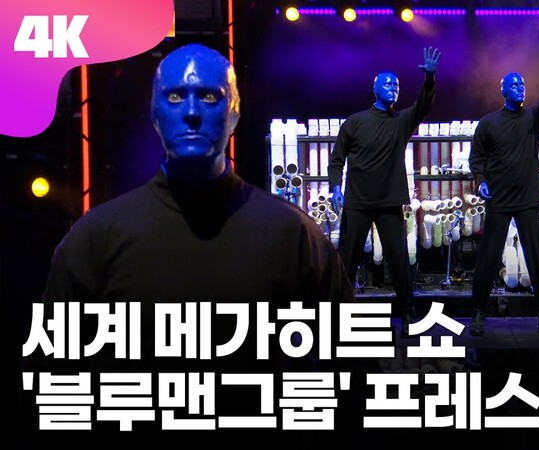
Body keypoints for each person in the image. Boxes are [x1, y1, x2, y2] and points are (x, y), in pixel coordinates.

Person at [20, 43, 357, 446]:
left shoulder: (295, 236)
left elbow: (352, 376)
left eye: (210, 96)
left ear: (234, 112)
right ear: (154, 113)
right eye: (176, 96)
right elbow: (52, 385)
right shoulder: (94, 240)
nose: (192, 111)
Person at [329, 46, 441, 338]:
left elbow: (423, 105)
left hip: (390, 201)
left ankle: (408, 313)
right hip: (357, 201)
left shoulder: (401, 122)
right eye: (388, 83)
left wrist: (429, 79)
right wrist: (335, 188)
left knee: (399, 260)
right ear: (375, 87)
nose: (394, 88)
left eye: (397, 85)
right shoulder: (355, 122)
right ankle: (337, 316)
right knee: (347, 260)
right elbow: (337, 159)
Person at [468, 36, 539, 337]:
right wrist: (481, 182)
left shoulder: (532, 119)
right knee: (488, 258)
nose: (520, 88)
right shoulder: (488, 123)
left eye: (522, 85)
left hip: (527, 199)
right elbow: (477, 159)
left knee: (537, 258)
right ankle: (478, 314)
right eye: (514, 85)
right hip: (499, 200)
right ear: (503, 90)